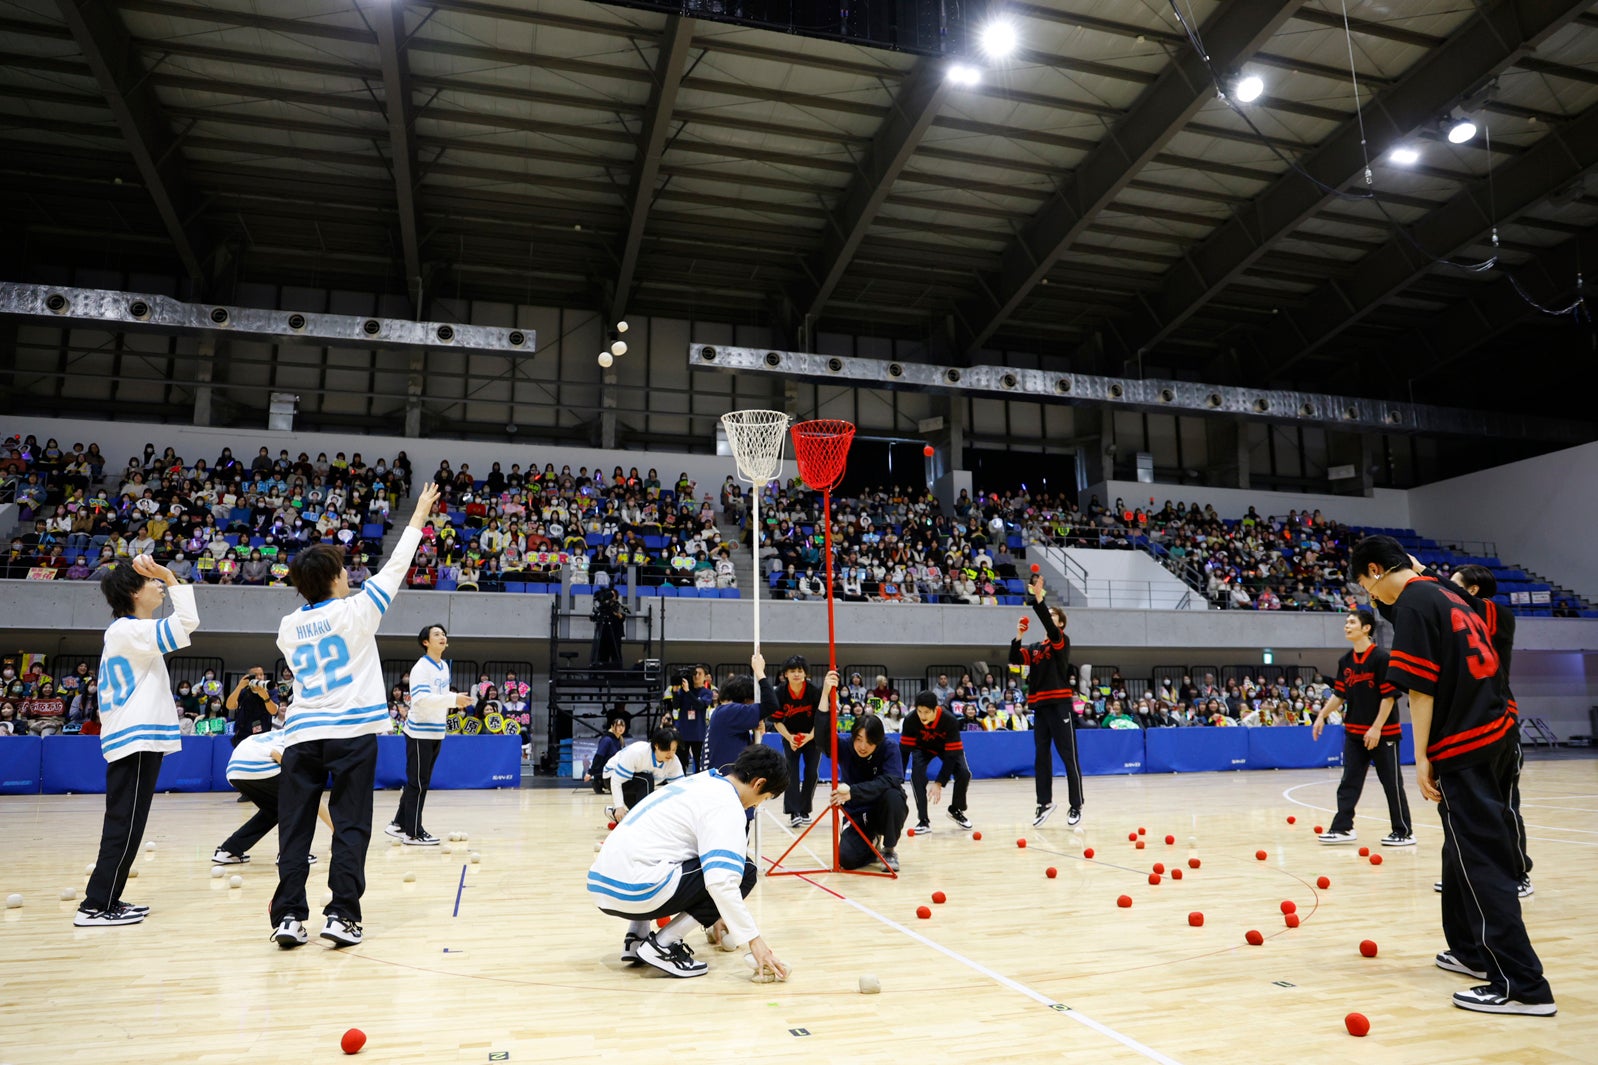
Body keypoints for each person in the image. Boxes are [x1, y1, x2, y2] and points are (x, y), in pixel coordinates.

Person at [1351, 535, 1554, 1015]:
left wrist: (1422, 757)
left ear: (1376, 570)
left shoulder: (1417, 602)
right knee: (1474, 856)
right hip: (1499, 732)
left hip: (1466, 745)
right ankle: (1480, 956)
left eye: (1365, 584)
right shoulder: (1445, 593)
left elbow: (1420, 691)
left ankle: (1523, 986)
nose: (1369, 597)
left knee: (1481, 863)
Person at [267, 482, 439, 951]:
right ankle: (342, 915)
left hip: (301, 734)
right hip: (351, 733)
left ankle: (287, 917)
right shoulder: (358, 610)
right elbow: (398, 566)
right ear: (335, 579)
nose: (349, 576)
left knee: (295, 827)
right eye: (343, 571)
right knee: (350, 824)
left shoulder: (287, 626)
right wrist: (419, 515)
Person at [586, 743, 790, 979]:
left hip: (602, 885)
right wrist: (756, 943)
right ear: (759, 784)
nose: (758, 804)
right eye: (763, 798)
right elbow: (721, 883)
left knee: (666, 852)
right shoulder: (727, 805)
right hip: (636, 890)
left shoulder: (700, 782)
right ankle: (663, 945)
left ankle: (637, 937)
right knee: (745, 870)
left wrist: (719, 913)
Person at [76, 554, 200, 927]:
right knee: (124, 823)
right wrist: (170, 574)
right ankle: (94, 906)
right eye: (150, 581)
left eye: (159, 580)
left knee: (130, 823)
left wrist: (163, 576)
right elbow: (188, 622)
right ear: (132, 591)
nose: (159, 584)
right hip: (135, 739)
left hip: (136, 738)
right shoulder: (128, 630)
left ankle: (109, 899)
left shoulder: (131, 633)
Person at [1441, 563, 1533, 898]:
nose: (1447, 589)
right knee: (1466, 808)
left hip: (1501, 723)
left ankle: (1518, 871)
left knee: (1506, 806)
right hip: (1469, 726)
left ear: (1473, 590)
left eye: (1454, 584)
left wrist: (1420, 571)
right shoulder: (1459, 620)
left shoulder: (1497, 614)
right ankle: (1466, 873)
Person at [1310, 609, 1412, 847]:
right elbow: (1340, 694)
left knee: (1392, 783)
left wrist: (1376, 728)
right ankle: (1343, 828)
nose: (1347, 625)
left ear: (1366, 628)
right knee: (1349, 782)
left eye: (1352, 622)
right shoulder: (1345, 661)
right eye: (1346, 622)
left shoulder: (1381, 658)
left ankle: (1403, 831)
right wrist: (1321, 716)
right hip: (1355, 733)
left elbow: (1389, 697)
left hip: (1383, 733)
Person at [385, 624, 473, 846]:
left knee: (420, 780)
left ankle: (398, 824)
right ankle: (413, 833)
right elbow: (421, 699)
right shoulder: (421, 668)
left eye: (443, 634)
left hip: (436, 732)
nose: (442, 637)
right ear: (426, 642)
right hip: (418, 733)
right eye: (437, 635)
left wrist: (453, 701)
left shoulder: (443, 666)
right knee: (418, 783)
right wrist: (453, 699)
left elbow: (438, 698)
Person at [1010, 574, 1081, 827]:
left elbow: (1051, 628)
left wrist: (1039, 600)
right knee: (1041, 756)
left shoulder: (1061, 641)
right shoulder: (1036, 646)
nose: (1049, 618)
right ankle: (1044, 802)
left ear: (1060, 623)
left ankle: (1076, 805)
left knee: (1068, 756)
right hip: (1039, 705)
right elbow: (1015, 659)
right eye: (1047, 614)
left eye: (1053, 615)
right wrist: (1018, 635)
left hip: (1060, 703)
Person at [212, 729, 333, 865]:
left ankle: (229, 849)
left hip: (234, 772)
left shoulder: (278, 733)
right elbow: (276, 754)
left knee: (273, 810)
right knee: (301, 801)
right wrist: (337, 831)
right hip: (260, 767)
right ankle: (291, 854)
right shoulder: (300, 738)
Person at [759, 654, 837, 828]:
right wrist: (790, 738)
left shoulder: (813, 691)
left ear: (805, 674)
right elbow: (777, 721)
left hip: (812, 736)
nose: (796, 674)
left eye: (799, 671)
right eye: (792, 671)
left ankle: (805, 810)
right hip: (790, 736)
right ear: (785, 674)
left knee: (811, 773)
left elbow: (821, 717)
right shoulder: (779, 692)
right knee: (791, 773)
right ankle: (793, 812)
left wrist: (809, 736)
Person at [829, 712, 907, 872]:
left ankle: (889, 850)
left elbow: (892, 780)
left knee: (894, 796)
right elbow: (824, 737)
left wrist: (854, 792)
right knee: (846, 859)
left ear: (878, 741)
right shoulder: (844, 747)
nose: (863, 746)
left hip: (882, 810)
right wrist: (824, 697)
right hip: (857, 814)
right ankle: (872, 844)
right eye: (858, 740)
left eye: (869, 742)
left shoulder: (889, 747)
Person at [900, 689, 973, 834]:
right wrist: (897, 779)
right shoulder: (910, 720)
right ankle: (923, 820)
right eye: (919, 711)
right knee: (917, 776)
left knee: (964, 773)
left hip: (946, 749)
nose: (922, 716)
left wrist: (939, 782)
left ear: (935, 709)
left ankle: (955, 809)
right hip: (922, 749)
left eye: (926, 712)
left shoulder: (949, 720)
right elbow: (904, 752)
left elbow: (952, 756)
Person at [604, 726, 685, 821]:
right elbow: (616, 780)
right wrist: (619, 806)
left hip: (636, 782)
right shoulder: (638, 752)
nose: (670, 754)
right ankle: (642, 819)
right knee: (647, 783)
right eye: (667, 749)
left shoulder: (673, 761)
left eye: (674, 750)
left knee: (638, 814)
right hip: (611, 775)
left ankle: (613, 813)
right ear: (657, 746)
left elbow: (681, 788)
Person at [704, 658, 767, 773]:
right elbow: (771, 705)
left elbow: (744, 752)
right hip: (721, 781)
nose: (753, 706)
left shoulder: (726, 715)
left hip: (722, 777)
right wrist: (760, 672)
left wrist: (758, 735)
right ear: (746, 698)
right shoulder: (729, 712)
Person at [663, 663, 713, 773]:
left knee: (699, 763)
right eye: (695, 673)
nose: (697, 676)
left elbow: (699, 705)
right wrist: (676, 691)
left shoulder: (707, 692)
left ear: (705, 677)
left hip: (698, 733)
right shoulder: (683, 690)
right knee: (681, 763)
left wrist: (688, 691)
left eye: (700, 674)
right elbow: (676, 705)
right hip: (683, 732)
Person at [225, 665, 277, 747]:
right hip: (243, 737)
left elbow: (274, 711)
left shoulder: (270, 691)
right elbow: (230, 706)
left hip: (263, 737)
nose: (259, 677)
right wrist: (239, 687)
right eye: (255, 675)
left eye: (261, 674)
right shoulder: (244, 692)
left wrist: (265, 697)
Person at [585, 713, 629, 794]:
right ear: (612, 727)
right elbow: (599, 756)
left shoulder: (620, 740)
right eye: (618, 726)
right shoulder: (607, 740)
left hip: (614, 772)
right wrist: (590, 773)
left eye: (622, 726)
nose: (621, 728)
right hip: (604, 776)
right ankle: (598, 782)